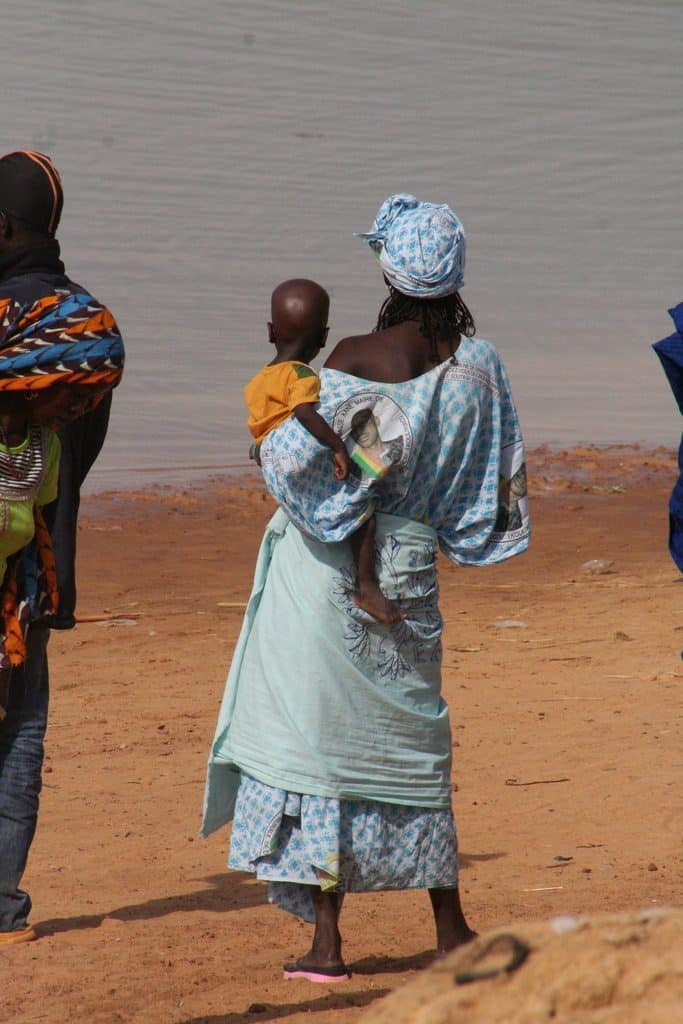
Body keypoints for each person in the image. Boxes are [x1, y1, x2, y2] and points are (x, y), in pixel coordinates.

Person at [203, 193, 530, 981]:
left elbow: (330, 470)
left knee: (323, 750)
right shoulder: (481, 371)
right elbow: (490, 485)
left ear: (385, 272)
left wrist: (273, 446)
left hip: (330, 578)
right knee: (416, 741)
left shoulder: (351, 356)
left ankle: (327, 942)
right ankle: (450, 925)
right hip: (413, 568)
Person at [0, 150, 124, 945]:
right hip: (39, 564)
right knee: (21, 729)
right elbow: (80, 457)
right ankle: (4, 905)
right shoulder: (85, 331)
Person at [245, 278, 403, 623]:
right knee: (362, 514)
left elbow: (263, 427)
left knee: (307, 497)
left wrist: (261, 452)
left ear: (271, 331)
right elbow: (304, 413)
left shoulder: (259, 380)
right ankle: (367, 587)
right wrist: (336, 446)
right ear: (323, 338)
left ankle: (315, 524)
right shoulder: (303, 376)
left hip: (272, 459)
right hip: (297, 449)